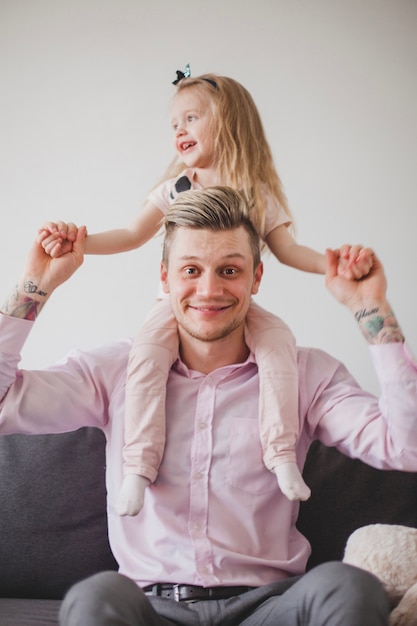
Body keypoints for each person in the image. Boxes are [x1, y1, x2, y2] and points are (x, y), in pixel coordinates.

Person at [1, 185, 416, 625]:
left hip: (270, 605)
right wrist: (36, 285)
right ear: (165, 278)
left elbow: (404, 446)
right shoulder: (115, 370)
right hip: (153, 607)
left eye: (230, 270)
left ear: (256, 278)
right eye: (191, 269)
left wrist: (371, 309)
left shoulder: (307, 374)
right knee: (95, 596)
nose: (209, 289)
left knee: (347, 585)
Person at [39, 68, 371, 516]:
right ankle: (137, 468)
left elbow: (289, 250)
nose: (179, 130)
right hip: (174, 312)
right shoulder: (176, 189)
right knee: (144, 364)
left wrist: (333, 266)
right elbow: (132, 234)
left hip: (235, 311)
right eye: (174, 124)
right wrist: (81, 242)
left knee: (279, 351)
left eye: (191, 118)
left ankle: (280, 455)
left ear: (229, 124)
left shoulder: (256, 194)